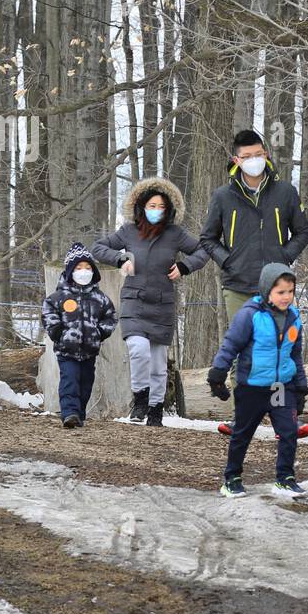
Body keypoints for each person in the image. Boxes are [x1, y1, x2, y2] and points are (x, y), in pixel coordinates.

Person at [92, 176, 210, 427]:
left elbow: (203, 251)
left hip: (163, 303)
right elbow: (98, 248)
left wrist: (184, 266)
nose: (157, 211)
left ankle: (156, 410)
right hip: (134, 301)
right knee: (138, 350)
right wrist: (120, 259)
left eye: (162, 207)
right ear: (141, 206)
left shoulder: (175, 234)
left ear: (169, 210)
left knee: (158, 363)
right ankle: (140, 401)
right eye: (152, 206)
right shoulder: (128, 231)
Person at [208, 263, 308, 497]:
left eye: (290, 291)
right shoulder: (250, 315)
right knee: (242, 433)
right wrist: (217, 374)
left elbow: (295, 354)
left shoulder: (294, 317)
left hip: (281, 386)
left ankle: (285, 478)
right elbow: (231, 345)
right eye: (280, 292)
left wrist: (301, 387)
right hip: (252, 387)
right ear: (266, 291)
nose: (286, 297)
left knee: (288, 432)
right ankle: (232, 478)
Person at [199, 129, 308, 323]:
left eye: (258, 155)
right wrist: (228, 261)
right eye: (247, 156)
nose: (254, 160)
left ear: (265, 155)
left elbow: (303, 232)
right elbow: (207, 238)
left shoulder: (285, 192)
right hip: (237, 287)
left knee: (275, 345)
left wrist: (283, 256)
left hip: (277, 285)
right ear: (237, 160)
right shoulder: (223, 196)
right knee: (242, 347)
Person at [42, 243, 118, 429]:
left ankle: (79, 414)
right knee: (70, 380)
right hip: (66, 350)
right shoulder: (58, 297)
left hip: (90, 351)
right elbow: (48, 314)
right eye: (78, 268)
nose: (83, 271)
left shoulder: (100, 298)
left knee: (85, 384)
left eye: (87, 268)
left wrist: (99, 333)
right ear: (70, 271)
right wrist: (58, 332)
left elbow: (110, 317)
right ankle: (69, 412)